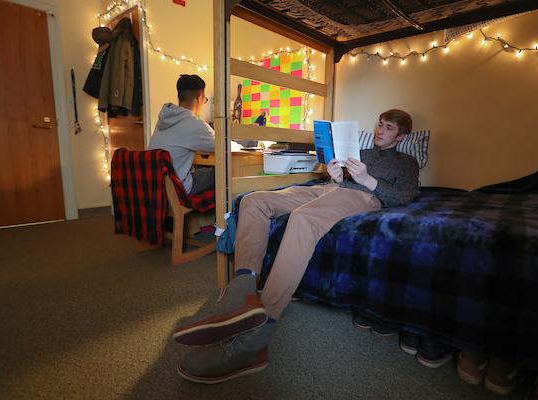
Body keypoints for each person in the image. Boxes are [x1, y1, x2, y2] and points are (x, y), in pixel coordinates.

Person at [174, 109, 420, 384]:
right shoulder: (363, 153)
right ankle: (243, 292)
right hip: (330, 189)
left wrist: (366, 180)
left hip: (365, 198)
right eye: (380, 124)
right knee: (253, 201)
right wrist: (338, 176)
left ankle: (256, 337)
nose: (380, 130)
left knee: (302, 218)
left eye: (388, 128)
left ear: (401, 136)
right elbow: (341, 182)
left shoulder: (406, 162)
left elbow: (404, 197)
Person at [148, 74, 215, 195]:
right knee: (222, 171)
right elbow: (223, 145)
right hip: (178, 188)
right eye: (205, 100)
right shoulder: (194, 123)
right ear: (200, 97)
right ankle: (225, 211)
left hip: (156, 187)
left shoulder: (164, 119)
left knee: (199, 169)